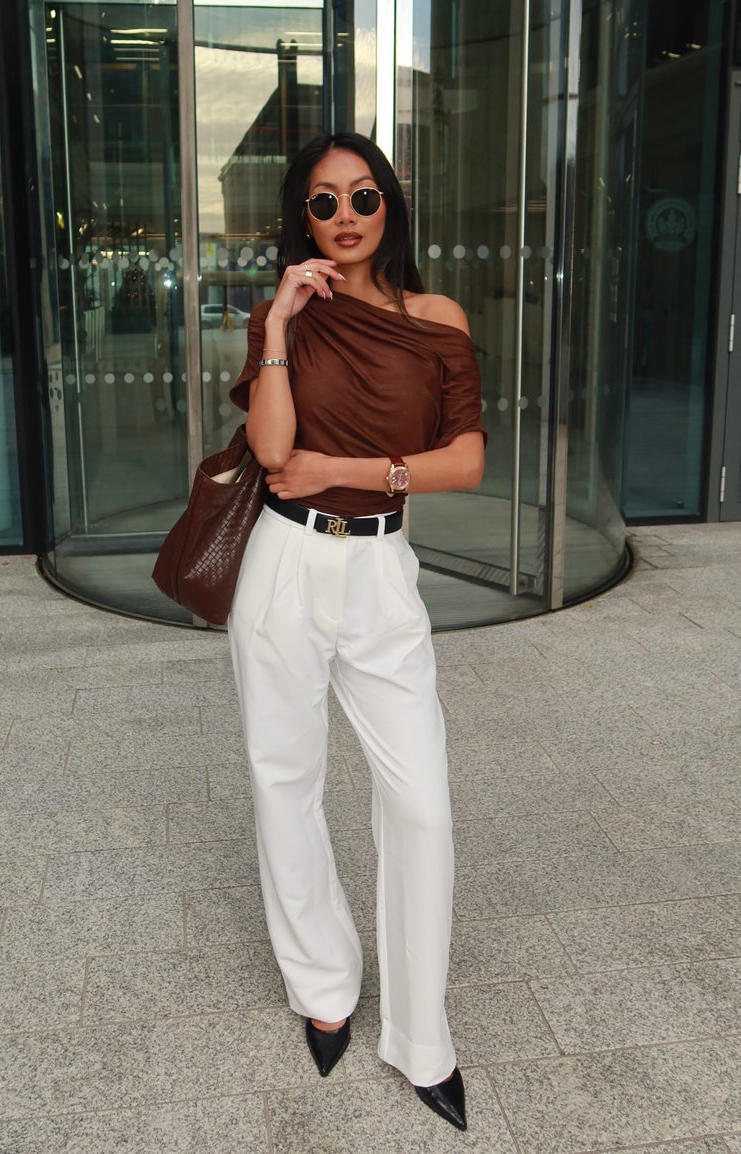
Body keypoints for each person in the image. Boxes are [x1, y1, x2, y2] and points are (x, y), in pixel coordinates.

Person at [228, 131, 486, 1131]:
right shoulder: (279, 316)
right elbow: (271, 449)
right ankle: (322, 982)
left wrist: (355, 472)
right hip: (283, 565)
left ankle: (422, 1036)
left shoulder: (435, 318)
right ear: (301, 217)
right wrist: (281, 328)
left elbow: (462, 460)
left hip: (379, 567)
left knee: (420, 801)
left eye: (363, 197)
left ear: (390, 209)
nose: (344, 217)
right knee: (282, 776)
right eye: (324, 201)